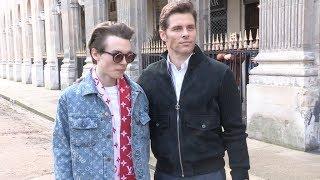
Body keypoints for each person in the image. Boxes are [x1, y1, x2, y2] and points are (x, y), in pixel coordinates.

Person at [137, 1, 250, 180]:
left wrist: (240, 174)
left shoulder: (219, 74)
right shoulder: (149, 78)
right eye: (177, 28)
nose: (185, 34)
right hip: (166, 174)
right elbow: (137, 130)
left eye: (190, 27)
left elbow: (234, 130)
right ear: (163, 34)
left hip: (209, 174)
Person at [53, 22, 151, 180]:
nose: (124, 62)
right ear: (95, 54)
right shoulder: (71, 98)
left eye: (129, 56)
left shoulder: (138, 95)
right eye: (117, 56)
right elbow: (61, 151)